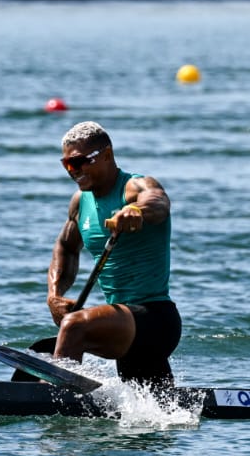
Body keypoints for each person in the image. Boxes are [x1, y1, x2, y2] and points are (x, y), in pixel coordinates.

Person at [45, 121, 180, 392]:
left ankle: (54, 398)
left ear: (107, 155)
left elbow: (159, 202)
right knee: (155, 410)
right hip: (123, 325)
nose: (74, 171)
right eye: (68, 164)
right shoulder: (79, 202)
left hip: (154, 318)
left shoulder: (134, 186)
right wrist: (55, 294)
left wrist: (137, 211)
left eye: (81, 162)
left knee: (74, 327)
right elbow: (66, 247)